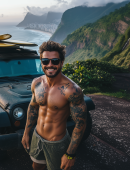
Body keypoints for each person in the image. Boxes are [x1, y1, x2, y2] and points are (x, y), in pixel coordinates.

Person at [21, 41, 87, 170]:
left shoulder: (72, 90)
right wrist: (26, 132)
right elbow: (33, 107)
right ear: (41, 62)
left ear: (61, 62)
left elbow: (81, 124)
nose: (50, 65)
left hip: (56, 143)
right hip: (37, 136)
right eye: (45, 61)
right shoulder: (37, 83)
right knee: (36, 166)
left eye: (55, 61)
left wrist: (70, 154)